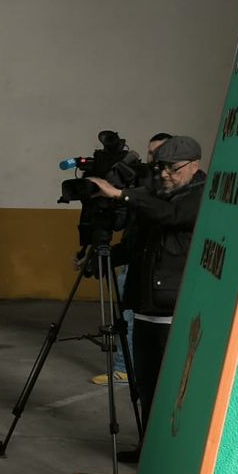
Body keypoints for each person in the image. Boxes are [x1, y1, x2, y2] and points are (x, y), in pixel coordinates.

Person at [88, 133, 205, 458]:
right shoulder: (152, 196)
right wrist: (100, 258)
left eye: (172, 168)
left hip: (173, 313)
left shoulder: (199, 197)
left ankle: (172, 457)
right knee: (147, 388)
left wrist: (123, 195)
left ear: (194, 166)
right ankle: (148, 449)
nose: (165, 174)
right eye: (160, 168)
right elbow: (134, 244)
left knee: (173, 392)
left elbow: (172, 217)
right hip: (143, 309)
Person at [92, 132, 170, 385]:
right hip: (132, 260)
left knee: (135, 320)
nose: (153, 158)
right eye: (151, 152)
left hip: (158, 269)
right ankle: (124, 367)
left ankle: (125, 368)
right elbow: (127, 230)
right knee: (126, 316)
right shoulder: (139, 185)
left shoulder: (167, 195)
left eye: (160, 153)